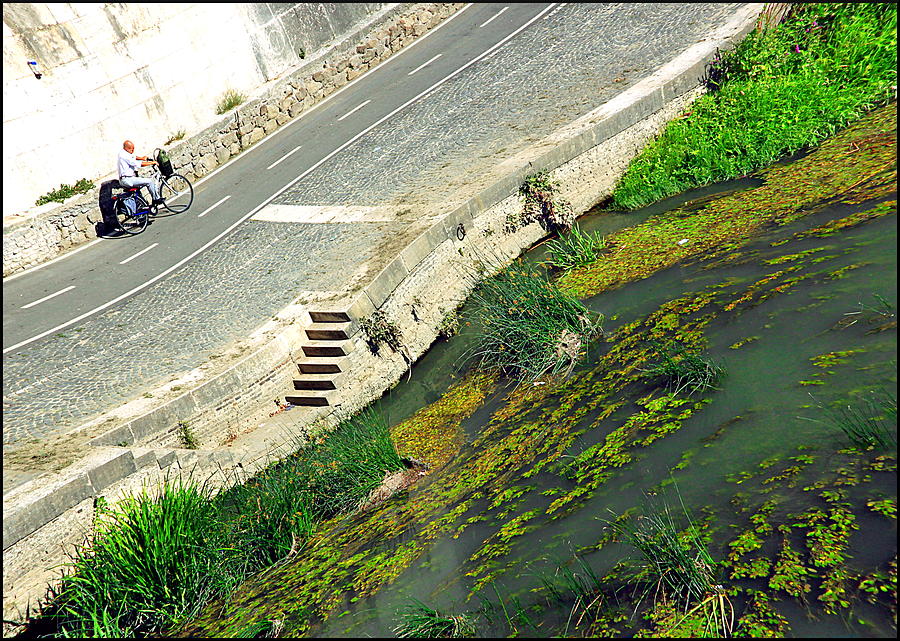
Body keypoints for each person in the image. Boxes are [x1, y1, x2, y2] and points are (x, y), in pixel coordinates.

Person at [117, 140, 165, 206]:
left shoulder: (123, 152)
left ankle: (143, 206)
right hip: (127, 179)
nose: (133, 150)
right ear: (127, 148)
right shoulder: (124, 156)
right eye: (132, 149)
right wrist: (152, 162)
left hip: (127, 179)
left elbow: (133, 156)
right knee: (149, 181)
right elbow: (138, 164)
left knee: (139, 188)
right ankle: (156, 199)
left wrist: (142, 158)